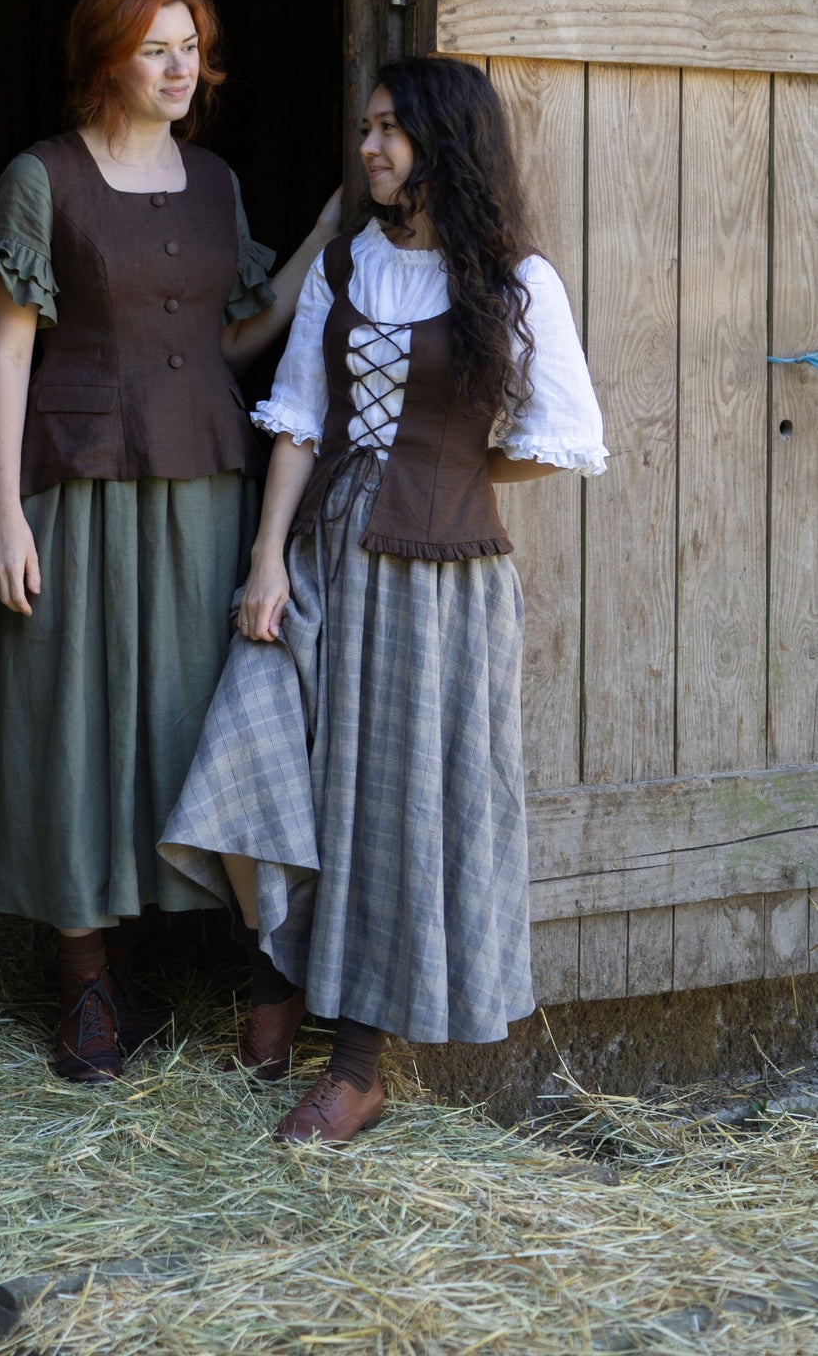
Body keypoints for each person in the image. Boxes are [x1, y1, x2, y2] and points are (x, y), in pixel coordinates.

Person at [160, 57, 608, 1145]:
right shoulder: (350, 262)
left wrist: (451, 474)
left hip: (439, 585)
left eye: (392, 131)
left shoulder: (513, 279)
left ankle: (355, 1066)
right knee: (249, 747)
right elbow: (300, 416)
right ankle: (275, 968)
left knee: (392, 812)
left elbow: (565, 436)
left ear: (445, 144)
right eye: (365, 127)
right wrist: (265, 558)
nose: (370, 148)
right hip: (324, 550)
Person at [0, 0, 341, 1084]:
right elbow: (7, 351)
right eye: (155, 48)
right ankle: (85, 976)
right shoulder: (41, 178)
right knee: (68, 715)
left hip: (201, 485)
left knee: (194, 713)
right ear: (104, 59)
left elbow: (230, 341)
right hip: (71, 488)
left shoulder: (216, 181)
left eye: (190, 46)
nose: (181, 68)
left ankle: (217, 951)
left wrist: (320, 235)